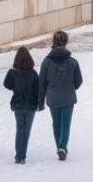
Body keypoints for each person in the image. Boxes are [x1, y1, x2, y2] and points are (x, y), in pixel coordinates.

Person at [39, 30, 82, 162]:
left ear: (53, 42)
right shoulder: (73, 62)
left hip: (53, 96)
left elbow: (42, 82)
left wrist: (40, 101)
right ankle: (63, 147)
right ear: (66, 42)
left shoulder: (46, 62)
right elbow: (78, 81)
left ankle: (59, 147)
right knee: (66, 124)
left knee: (56, 123)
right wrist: (70, 87)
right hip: (68, 96)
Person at [3, 46, 39, 164]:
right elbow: (38, 89)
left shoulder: (12, 73)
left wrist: (16, 87)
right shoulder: (33, 74)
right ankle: (23, 155)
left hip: (18, 104)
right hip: (31, 105)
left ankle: (19, 155)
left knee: (19, 129)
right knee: (26, 130)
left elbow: (6, 85)